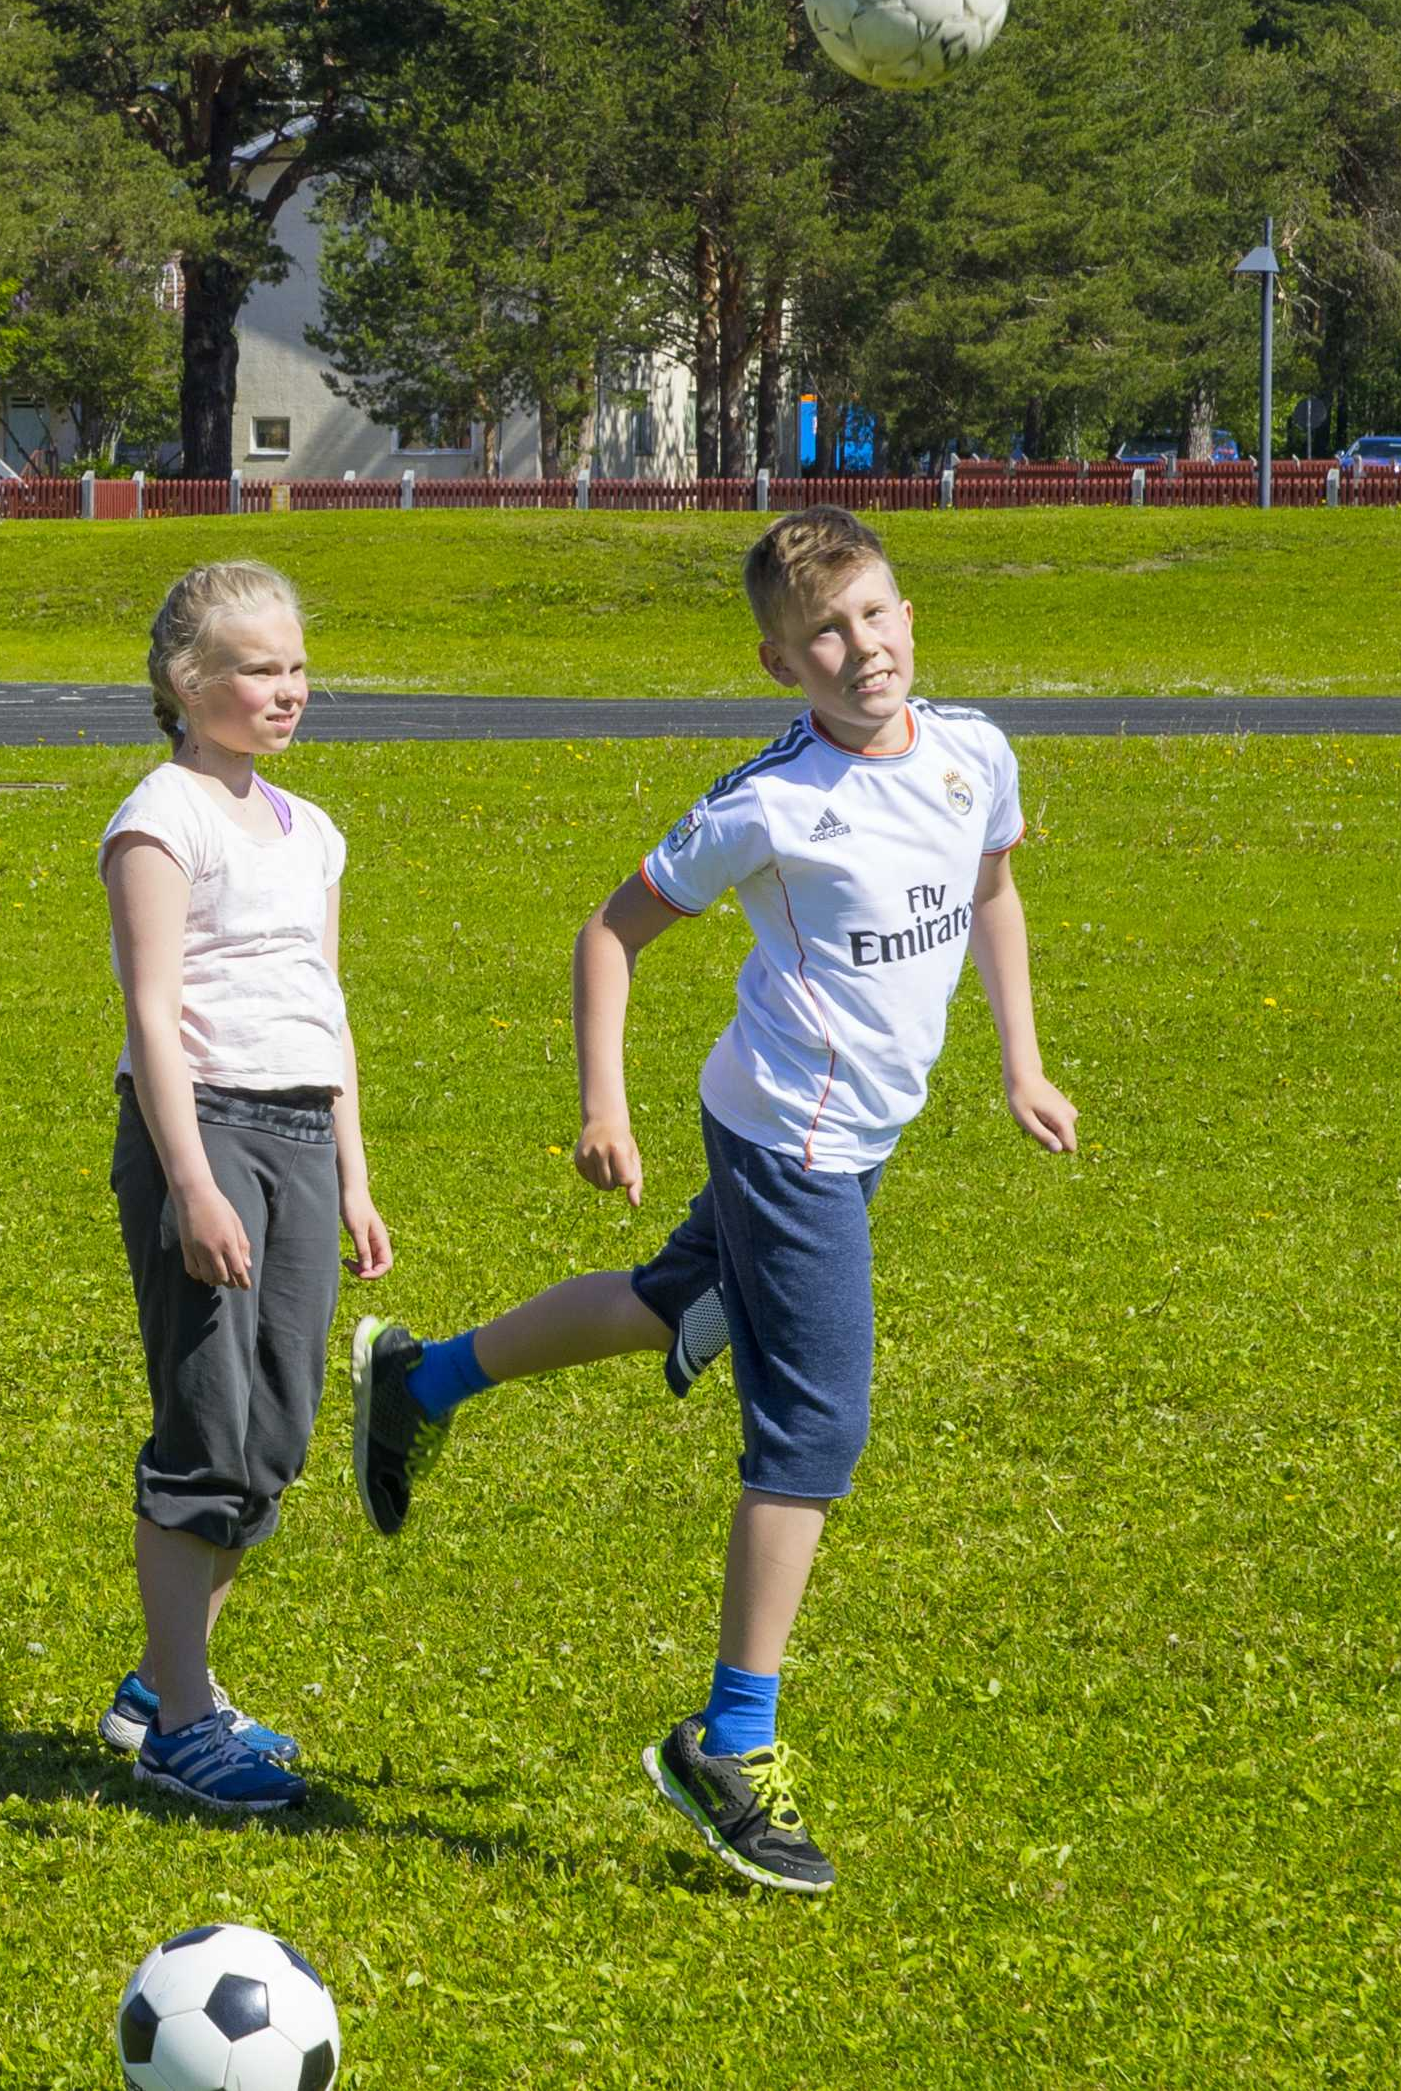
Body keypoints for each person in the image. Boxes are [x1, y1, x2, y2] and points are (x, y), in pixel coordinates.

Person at [353, 506, 1077, 1896]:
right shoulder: (769, 802)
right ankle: (725, 1740)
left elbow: (989, 887)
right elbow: (609, 930)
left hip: (858, 1134)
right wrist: (599, 1107)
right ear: (774, 659)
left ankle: (419, 1382)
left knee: (670, 1303)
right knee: (813, 1423)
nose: (857, 648)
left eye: (874, 614)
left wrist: (1018, 1063)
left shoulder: (972, 749)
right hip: (784, 1143)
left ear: (907, 613)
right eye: (823, 632)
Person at [96, 561, 397, 1819]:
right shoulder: (160, 819)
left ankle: (169, 1681)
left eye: (296, 667)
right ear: (186, 682)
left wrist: (353, 1173)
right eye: (259, 669)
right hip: (202, 1132)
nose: (287, 690)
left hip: (297, 1135)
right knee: (205, 1424)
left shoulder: (310, 828)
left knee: (272, 1431)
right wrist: (193, 1184)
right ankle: (177, 1722)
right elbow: (153, 1017)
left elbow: (321, 1010)